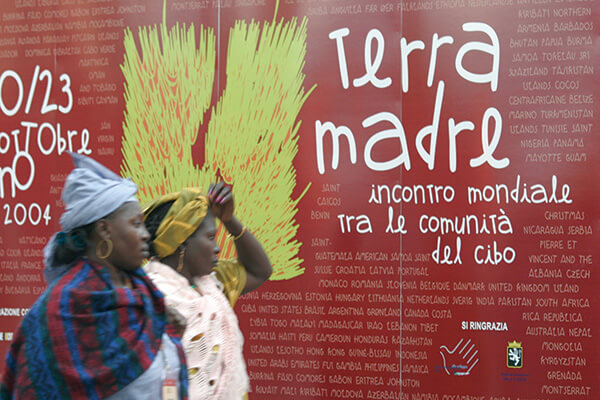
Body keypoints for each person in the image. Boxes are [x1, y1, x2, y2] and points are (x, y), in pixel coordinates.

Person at [0, 153, 188, 400]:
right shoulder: (60, 309)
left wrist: (166, 331)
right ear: (104, 229)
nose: (145, 235)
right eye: (135, 224)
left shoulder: (145, 294)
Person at [143, 183, 272, 400]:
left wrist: (229, 219)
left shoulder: (211, 286)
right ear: (181, 244)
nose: (217, 247)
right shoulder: (149, 297)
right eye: (211, 237)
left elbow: (260, 271)